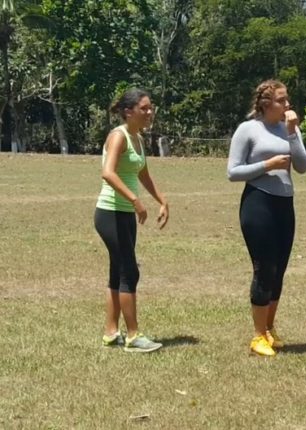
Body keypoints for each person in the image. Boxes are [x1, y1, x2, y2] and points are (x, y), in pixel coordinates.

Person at [227, 79, 306, 357]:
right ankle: (257, 336)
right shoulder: (248, 129)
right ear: (265, 104)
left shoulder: (290, 128)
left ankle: (270, 329)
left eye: (287, 99)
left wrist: (291, 133)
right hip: (258, 203)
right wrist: (267, 165)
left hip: (285, 204)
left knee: (279, 270)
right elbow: (233, 171)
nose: (287, 104)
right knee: (264, 269)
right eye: (281, 100)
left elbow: (303, 166)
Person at [95, 88, 169, 353]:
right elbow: (108, 173)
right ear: (129, 111)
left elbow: (143, 174)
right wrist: (136, 201)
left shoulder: (137, 138)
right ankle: (133, 336)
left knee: (118, 270)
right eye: (145, 108)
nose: (150, 113)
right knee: (129, 270)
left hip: (124, 214)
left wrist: (162, 200)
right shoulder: (119, 136)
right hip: (110, 212)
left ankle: (110, 332)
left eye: (151, 108)